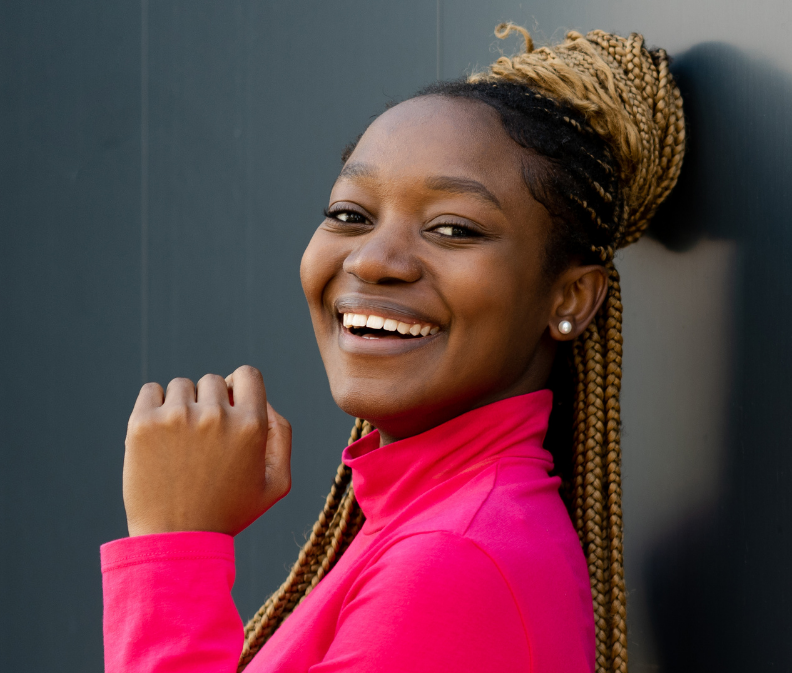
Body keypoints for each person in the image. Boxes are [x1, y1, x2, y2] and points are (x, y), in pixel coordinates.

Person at [101, 24, 685, 673]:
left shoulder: (456, 561)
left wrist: (175, 546)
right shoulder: (432, 526)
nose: (374, 259)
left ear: (569, 298)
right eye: (351, 214)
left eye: (453, 228)